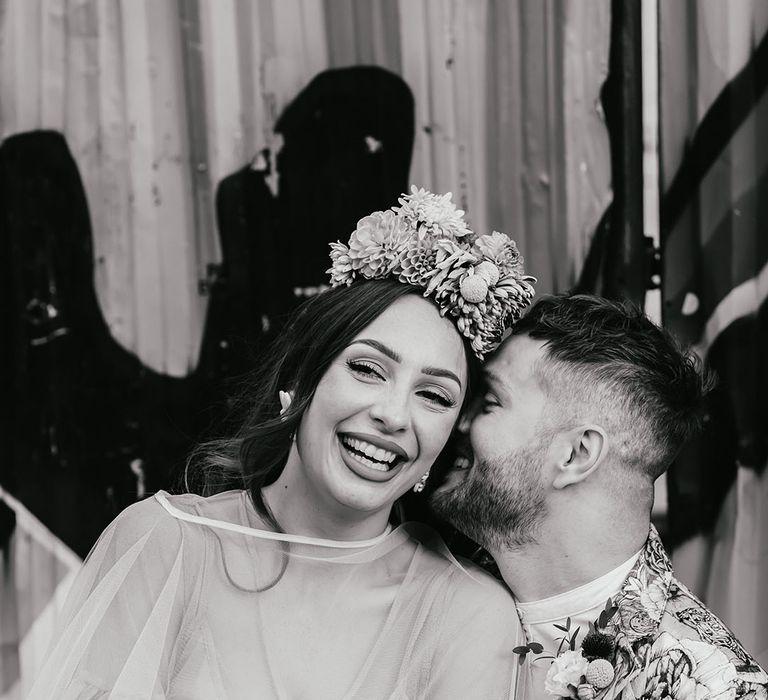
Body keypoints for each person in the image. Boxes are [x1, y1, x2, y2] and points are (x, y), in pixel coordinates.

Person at [29, 187, 536, 699]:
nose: (393, 414)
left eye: (433, 396)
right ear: (299, 381)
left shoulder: (467, 613)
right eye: (366, 369)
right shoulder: (167, 545)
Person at [432, 294, 768, 700]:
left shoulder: (710, 688)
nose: (457, 422)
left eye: (489, 403)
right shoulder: (428, 560)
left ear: (576, 455)